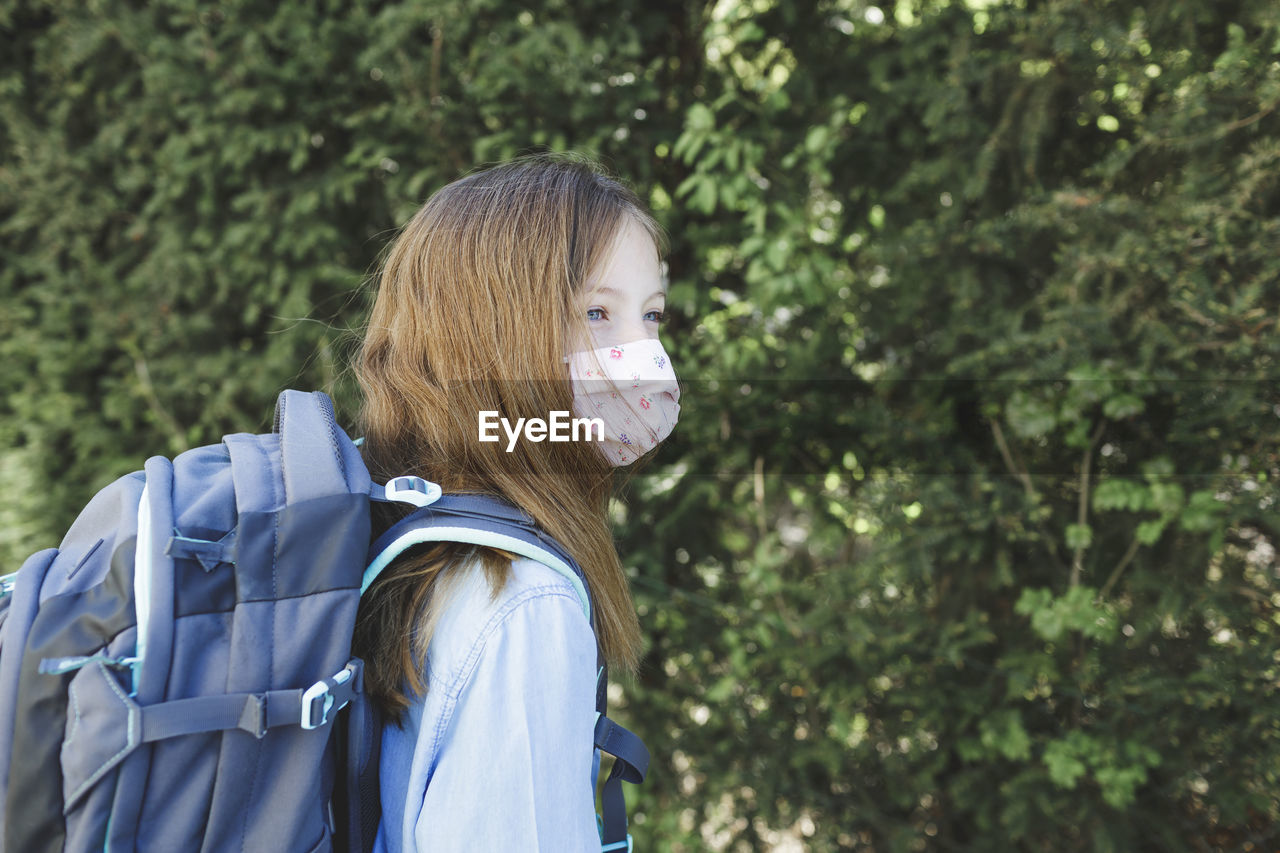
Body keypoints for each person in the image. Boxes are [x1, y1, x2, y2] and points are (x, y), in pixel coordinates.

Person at [351, 151, 681, 851]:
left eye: (651, 317)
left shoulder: (399, 521)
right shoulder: (523, 601)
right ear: (493, 333)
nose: (646, 360)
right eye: (597, 312)